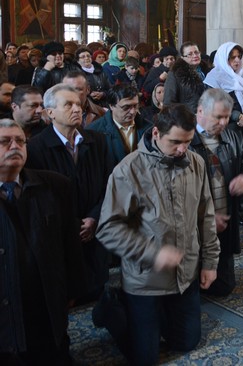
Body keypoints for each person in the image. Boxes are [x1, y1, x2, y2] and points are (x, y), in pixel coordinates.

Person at [96, 104, 220, 365]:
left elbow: (205, 214)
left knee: (187, 342)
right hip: (145, 280)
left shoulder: (195, 162)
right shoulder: (128, 169)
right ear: (155, 134)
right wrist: (153, 253)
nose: (182, 149)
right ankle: (112, 312)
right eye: (175, 142)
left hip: (185, 274)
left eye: (187, 142)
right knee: (145, 357)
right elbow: (107, 228)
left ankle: (159, 318)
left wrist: (210, 263)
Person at [0, 119, 84, 365]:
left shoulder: (55, 185)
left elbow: (71, 244)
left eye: (20, 141)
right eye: (5, 141)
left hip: (45, 302)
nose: (15, 146)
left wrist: (71, 291)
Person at [26, 83, 114, 302]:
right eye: (68, 105)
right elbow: (40, 197)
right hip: (60, 234)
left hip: (95, 229)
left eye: (78, 104)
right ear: (50, 113)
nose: (77, 109)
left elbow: (109, 183)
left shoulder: (97, 141)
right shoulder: (36, 148)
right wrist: (73, 224)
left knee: (97, 292)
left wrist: (94, 217)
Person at [190, 89, 243, 296]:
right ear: (200, 111)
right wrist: (206, 217)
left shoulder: (232, 136)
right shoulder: (184, 139)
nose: (224, 122)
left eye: (227, 117)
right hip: (195, 223)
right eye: (218, 117)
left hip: (224, 217)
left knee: (224, 288)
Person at [87, 84, 150, 168]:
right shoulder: (94, 131)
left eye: (135, 106)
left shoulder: (149, 129)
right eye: (126, 107)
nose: (132, 111)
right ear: (111, 106)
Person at [163, 42, 207, 112]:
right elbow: (169, 103)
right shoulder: (175, 74)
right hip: (188, 118)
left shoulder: (207, 71)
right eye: (190, 54)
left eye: (196, 52)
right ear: (182, 58)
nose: (195, 55)